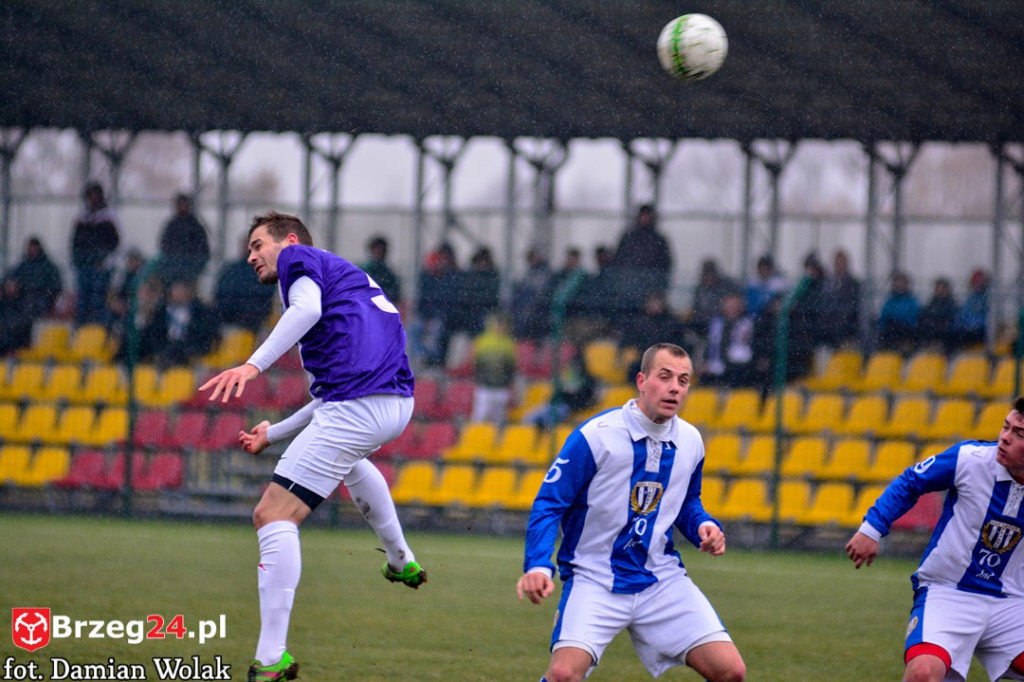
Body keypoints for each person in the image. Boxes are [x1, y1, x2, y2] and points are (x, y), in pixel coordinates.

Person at [198, 212, 426, 681]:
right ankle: (401, 560)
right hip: (392, 404)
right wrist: (273, 433)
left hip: (361, 406)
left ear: (291, 240)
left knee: (272, 514)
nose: (251, 255)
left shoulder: (300, 262)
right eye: (248, 249)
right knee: (348, 460)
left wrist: (252, 366)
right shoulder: (344, 280)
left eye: (259, 244)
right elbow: (328, 400)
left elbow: (304, 313)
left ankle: (270, 659)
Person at [517, 343, 746, 682]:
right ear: (641, 380)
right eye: (664, 377)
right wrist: (538, 564)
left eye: (683, 381)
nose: (674, 388)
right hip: (594, 577)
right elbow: (550, 502)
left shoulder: (691, 440)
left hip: (660, 579)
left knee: (732, 672)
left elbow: (687, 501)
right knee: (564, 675)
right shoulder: (596, 436)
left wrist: (704, 525)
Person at [845, 394, 1024, 682]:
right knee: (923, 674)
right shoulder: (971, 459)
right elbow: (911, 481)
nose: (1004, 437)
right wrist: (871, 529)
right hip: (948, 592)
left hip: (1012, 602)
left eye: (1018, 434)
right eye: (1005, 427)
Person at [133, 279, 220, 368]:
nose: (178, 293)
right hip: (166, 352)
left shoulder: (201, 311)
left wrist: (189, 350)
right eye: (176, 289)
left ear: (189, 290)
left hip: (190, 353)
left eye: (182, 289)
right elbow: (155, 334)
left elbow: (205, 335)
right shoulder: (162, 311)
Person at [70, 181, 121, 325]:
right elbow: (75, 244)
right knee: (82, 302)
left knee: (98, 301)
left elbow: (116, 243)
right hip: (83, 267)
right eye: (89, 195)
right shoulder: (81, 217)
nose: (92, 198)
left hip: (101, 268)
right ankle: (80, 335)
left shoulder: (109, 216)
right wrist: (77, 262)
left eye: (95, 195)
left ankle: (98, 333)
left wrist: (106, 262)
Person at [214, 237, 276, 333]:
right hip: (229, 319)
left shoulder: (264, 270)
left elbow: (266, 297)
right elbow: (220, 293)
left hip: (254, 322)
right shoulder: (231, 269)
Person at [470, 313, 518, 425]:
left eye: (502, 325)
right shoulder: (482, 341)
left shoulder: (509, 343)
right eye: (498, 324)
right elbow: (476, 363)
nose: (500, 327)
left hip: (502, 387)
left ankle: (495, 442)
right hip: (485, 386)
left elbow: (511, 367)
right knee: (480, 417)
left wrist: (510, 385)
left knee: (499, 420)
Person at [154, 193, 210, 289]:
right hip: (172, 268)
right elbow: (164, 246)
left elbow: (203, 250)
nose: (181, 207)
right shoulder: (171, 225)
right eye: (179, 204)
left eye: (184, 204)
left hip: (190, 269)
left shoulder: (195, 226)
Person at [700, 292, 755, 388]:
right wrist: (706, 361)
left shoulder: (747, 323)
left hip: (738, 366)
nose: (732, 308)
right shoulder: (716, 323)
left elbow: (747, 349)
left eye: (735, 305)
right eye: (729, 305)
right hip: (717, 365)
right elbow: (711, 345)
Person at [4, 236, 63, 317]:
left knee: (30, 304)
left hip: (40, 298)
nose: (31, 249)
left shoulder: (48, 266)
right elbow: (10, 276)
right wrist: (10, 283)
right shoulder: (23, 265)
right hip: (22, 297)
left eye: (33, 247)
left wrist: (45, 295)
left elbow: (56, 285)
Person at [822, 249, 861, 348]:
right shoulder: (828, 283)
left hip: (845, 330)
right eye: (837, 262)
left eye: (841, 262)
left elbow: (854, 307)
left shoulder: (853, 284)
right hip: (828, 330)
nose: (839, 265)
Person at [876, 271, 920, 353]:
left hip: (905, 331)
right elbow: (883, 317)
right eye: (897, 282)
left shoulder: (912, 301)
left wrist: (898, 320)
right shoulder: (889, 300)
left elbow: (913, 318)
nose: (899, 285)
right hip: (890, 332)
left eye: (902, 282)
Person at [948, 268, 990, 353]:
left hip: (980, 330)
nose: (977, 285)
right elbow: (963, 315)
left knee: (963, 336)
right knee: (950, 334)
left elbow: (986, 319)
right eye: (975, 283)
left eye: (979, 283)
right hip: (968, 329)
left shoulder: (988, 299)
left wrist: (973, 326)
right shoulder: (970, 298)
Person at [359, 235, 401, 306]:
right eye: (376, 249)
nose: (378, 252)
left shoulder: (388, 273)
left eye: (381, 249)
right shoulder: (364, 269)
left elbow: (395, 295)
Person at [918, 277, 957, 352]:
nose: (940, 291)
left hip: (945, 333)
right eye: (938, 288)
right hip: (932, 330)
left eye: (943, 288)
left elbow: (952, 317)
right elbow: (924, 315)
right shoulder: (931, 303)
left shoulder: (951, 304)